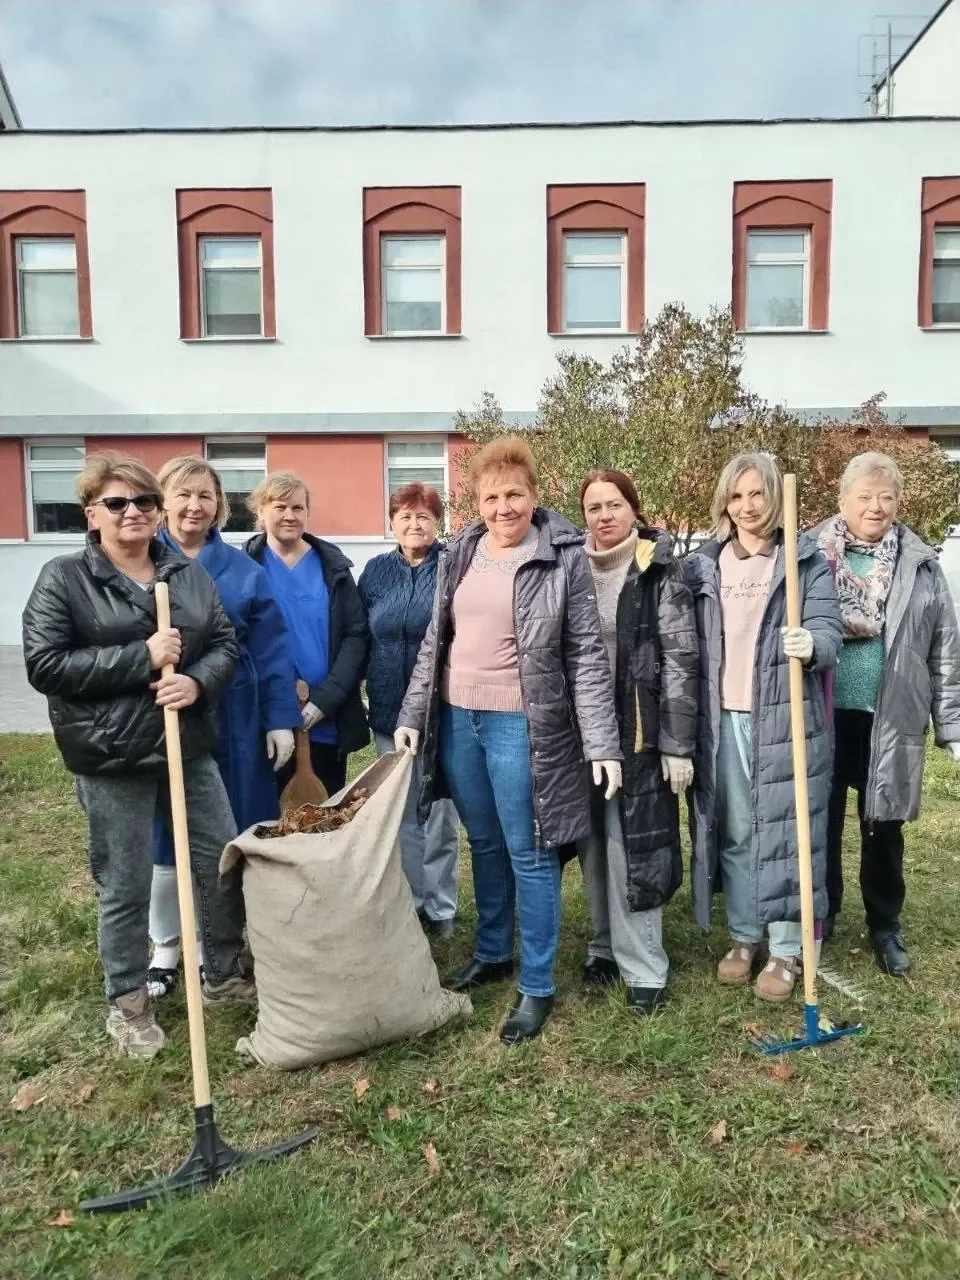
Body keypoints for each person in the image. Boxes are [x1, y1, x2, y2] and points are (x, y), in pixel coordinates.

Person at [22, 451, 251, 1060]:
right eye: (117, 503)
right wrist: (141, 658)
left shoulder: (185, 574)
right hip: (110, 753)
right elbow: (45, 666)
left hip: (187, 744)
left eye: (144, 502)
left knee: (220, 859)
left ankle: (223, 971)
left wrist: (196, 681)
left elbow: (224, 642)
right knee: (123, 881)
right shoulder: (64, 578)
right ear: (92, 512)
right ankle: (128, 1000)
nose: (133, 513)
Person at [395, 437, 622, 1044]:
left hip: (522, 723)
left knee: (531, 849)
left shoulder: (561, 555)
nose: (503, 507)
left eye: (514, 494)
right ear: (478, 501)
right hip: (458, 719)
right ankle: (494, 951)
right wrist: (414, 711)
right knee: (486, 842)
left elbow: (586, 655)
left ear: (534, 495)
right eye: (491, 496)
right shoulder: (463, 550)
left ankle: (538, 984)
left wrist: (602, 742)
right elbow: (433, 642)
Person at [684, 452, 842, 1003]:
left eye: (757, 494)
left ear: (775, 497)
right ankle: (744, 935)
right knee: (737, 829)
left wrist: (814, 644)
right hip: (722, 716)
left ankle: (786, 948)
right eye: (737, 496)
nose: (747, 506)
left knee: (788, 831)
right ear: (725, 503)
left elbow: (828, 629)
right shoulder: (706, 564)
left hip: (782, 716)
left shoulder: (803, 563)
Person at [145, 455, 302, 998]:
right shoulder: (140, 563)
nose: (195, 506)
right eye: (183, 494)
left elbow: (273, 649)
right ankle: (166, 947)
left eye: (206, 496)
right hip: (163, 715)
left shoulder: (244, 572)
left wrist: (281, 718)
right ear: (163, 500)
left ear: (220, 507)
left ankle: (235, 940)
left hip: (235, 718)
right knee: (166, 833)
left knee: (239, 827)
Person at [809, 452, 960, 977]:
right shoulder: (809, 555)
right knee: (819, 823)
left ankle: (884, 925)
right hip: (822, 715)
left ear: (898, 503)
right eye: (865, 496)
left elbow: (944, 646)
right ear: (843, 501)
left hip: (890, 717)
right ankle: (817, 919)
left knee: (883, 827)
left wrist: (951, 723)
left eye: (886, 497)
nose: (876, 507)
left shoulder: (921, 565)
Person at [576, 470, 698, 1014]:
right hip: (581, 730)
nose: (604, 516)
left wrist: (676, 743)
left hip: (638, 731)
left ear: (634, 508)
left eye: (614, 505)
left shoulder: (658, 571)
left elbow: (681, 660)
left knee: (634, 845)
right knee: (593, 843)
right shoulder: (572, 568)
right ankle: (603, 944)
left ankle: (645, 964)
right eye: (594, 507)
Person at [358, 481, 460, 939]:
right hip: (386, 710)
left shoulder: (454, 566)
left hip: (443, 711)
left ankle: (441, 907)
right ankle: (412, 902)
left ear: (438, 523)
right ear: (392, 523)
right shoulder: (376, 572)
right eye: (405, 516)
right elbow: (360, 635)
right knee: (400, 813)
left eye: (423, 516)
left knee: (438, 811)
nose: (414, 524)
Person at [245, 471, 369, 796]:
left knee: (322, 825)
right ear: (260, 511)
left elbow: (356, 636)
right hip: (267, 720)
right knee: (269, 825)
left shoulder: (333, 568)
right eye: (280, 506)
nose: (289, 515)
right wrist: (278, 704)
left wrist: (324, 701)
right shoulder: (244, 569)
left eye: (298, 508)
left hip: (324, 720)